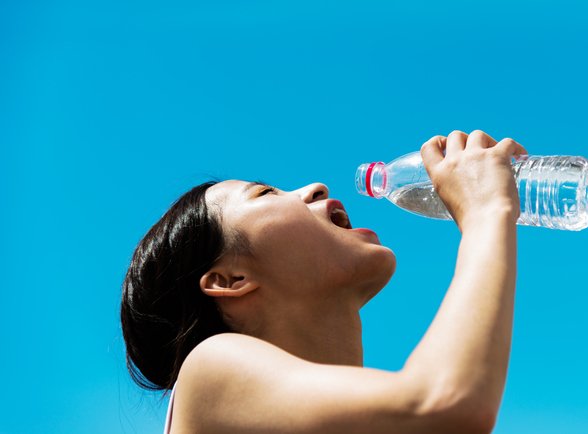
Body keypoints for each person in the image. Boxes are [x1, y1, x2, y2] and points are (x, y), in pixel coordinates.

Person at [120, 130, 527, 434]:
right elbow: (442, 404)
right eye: (264, 194)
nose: (315, 188)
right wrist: (487, 212)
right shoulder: (207, 370)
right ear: (231, 279)